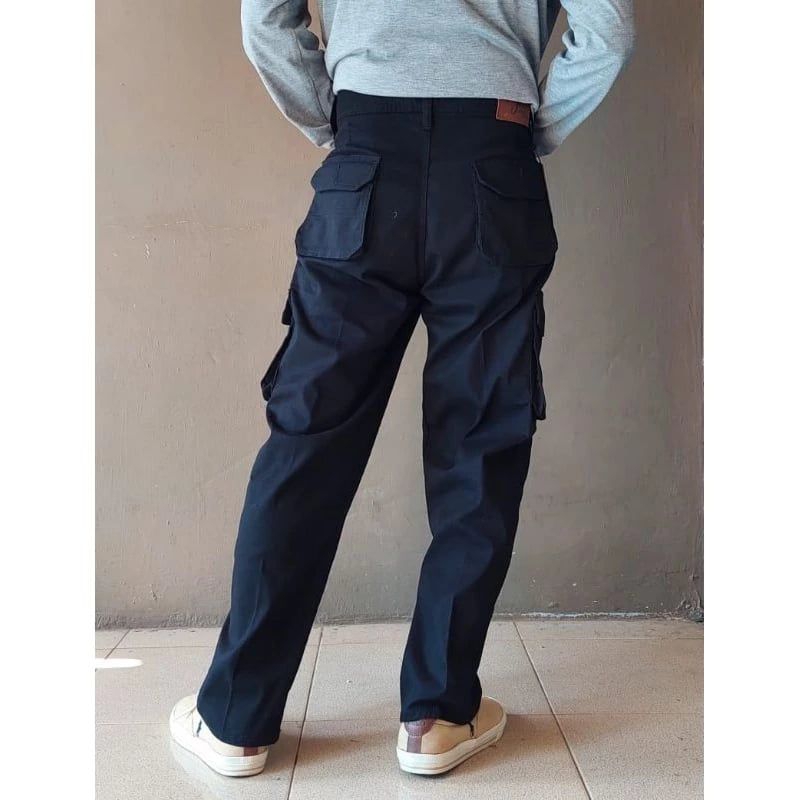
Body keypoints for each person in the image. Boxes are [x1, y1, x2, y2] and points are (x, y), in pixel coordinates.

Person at [169, 0, 635, 778]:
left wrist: (338, 121)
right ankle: (438, 716)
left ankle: (236, 722)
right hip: (494, 162)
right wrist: (522, 135)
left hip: (367, 154)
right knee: (479, 447)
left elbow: (264, 20)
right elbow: (610, 31)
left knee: (307, 448)